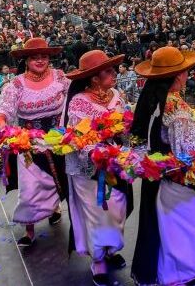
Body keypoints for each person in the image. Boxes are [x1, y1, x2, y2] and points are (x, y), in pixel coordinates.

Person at [130, 46, 195, 286]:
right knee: (186, 226)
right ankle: (178, 274)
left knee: (164, 226)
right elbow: (187, 149)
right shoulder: (174, 105)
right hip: (173, 175)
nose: (188, 75)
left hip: (156, 175)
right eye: (185, 71)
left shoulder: (152, 98)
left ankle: (166, 274)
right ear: (177, 75)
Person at [0, 38, 70, 246]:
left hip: (58, 140)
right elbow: (2, 110)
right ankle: (29, 230)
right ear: (26, 60)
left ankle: (54, 208)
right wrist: (3, 127)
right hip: (29, 143)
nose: (40, 60)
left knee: (57, 180)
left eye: (43, 56)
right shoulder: (15, 85)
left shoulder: (60, 77)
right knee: (30, 189)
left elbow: (75, 97)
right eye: (34, 57)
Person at [62, 49, 130, 286]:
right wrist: (96, 153)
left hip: (116, 163)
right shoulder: (79, 102)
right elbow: (79, 135)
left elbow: (126, 123)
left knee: (118, 209)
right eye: (109, 71)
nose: (114, 74)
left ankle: (109, 250)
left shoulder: (116, 95)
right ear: (94, 78)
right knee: (97, 214)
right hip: (88, 167)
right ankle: (98, 261)